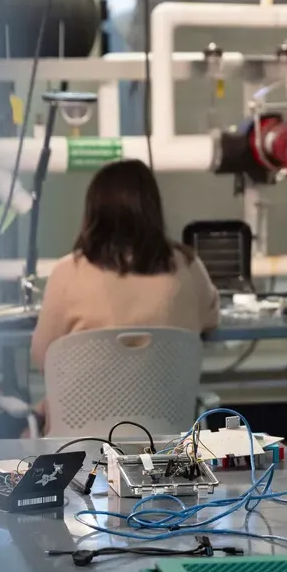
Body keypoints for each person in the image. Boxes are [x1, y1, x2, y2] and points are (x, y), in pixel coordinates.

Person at [30, 159, 219, 433]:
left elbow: (44, 357)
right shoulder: (188, 266)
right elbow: (211, 318)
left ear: (93, 212)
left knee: (36, 422)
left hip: (81, 440)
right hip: (165, 438)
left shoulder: (67, 272)